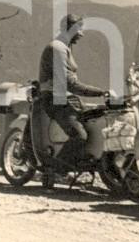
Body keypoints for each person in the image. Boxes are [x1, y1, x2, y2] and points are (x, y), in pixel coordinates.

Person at [38, 13, 108, 166]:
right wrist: (101, 92)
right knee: (80, 136)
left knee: (96, 127)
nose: (81, 34)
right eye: (79, 29)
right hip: (55, 100)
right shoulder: (57, 49)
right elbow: (70, 84)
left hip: (67, 100)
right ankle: (56, 168)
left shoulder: (65, 47)